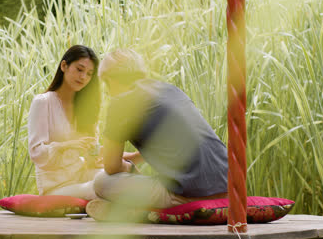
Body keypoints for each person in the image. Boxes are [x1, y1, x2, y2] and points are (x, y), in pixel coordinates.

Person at [86, 49, 228, 221]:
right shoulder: (170, 90)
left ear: (108, 79)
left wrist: (127, 166)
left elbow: (111, 167)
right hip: (227, 187)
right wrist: (132, 158)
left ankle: (133, 212)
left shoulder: (119, 103)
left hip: (188, 194)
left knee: (101, 182)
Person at [28, 45, 103, 200]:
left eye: (89, 74)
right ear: (64, 66)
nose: (83, 77)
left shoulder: (86, 108)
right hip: (55, 186)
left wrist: (95, 158)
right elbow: (36, 153)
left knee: (114, 179)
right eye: (79, 69)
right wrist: (68, 145)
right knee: (99, 188)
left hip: (81, 175)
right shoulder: (43, 102)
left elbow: (90, 157)